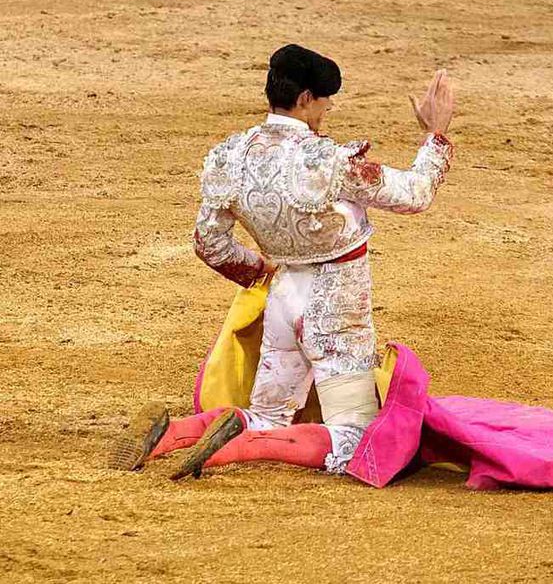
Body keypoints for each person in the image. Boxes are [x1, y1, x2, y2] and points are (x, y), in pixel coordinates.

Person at [109, 44, 454, 479]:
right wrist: (435, 136)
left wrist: (259, 271)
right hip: (337, 306)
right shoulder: (331, 161)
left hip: (282, 296)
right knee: (356, 437)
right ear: (306, 98)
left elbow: (208, 243)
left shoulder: (229, 156)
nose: (326, 111)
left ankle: (171, 434)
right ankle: (235, 449)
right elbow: (416, 194)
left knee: (268, 413)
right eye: (324, 101)